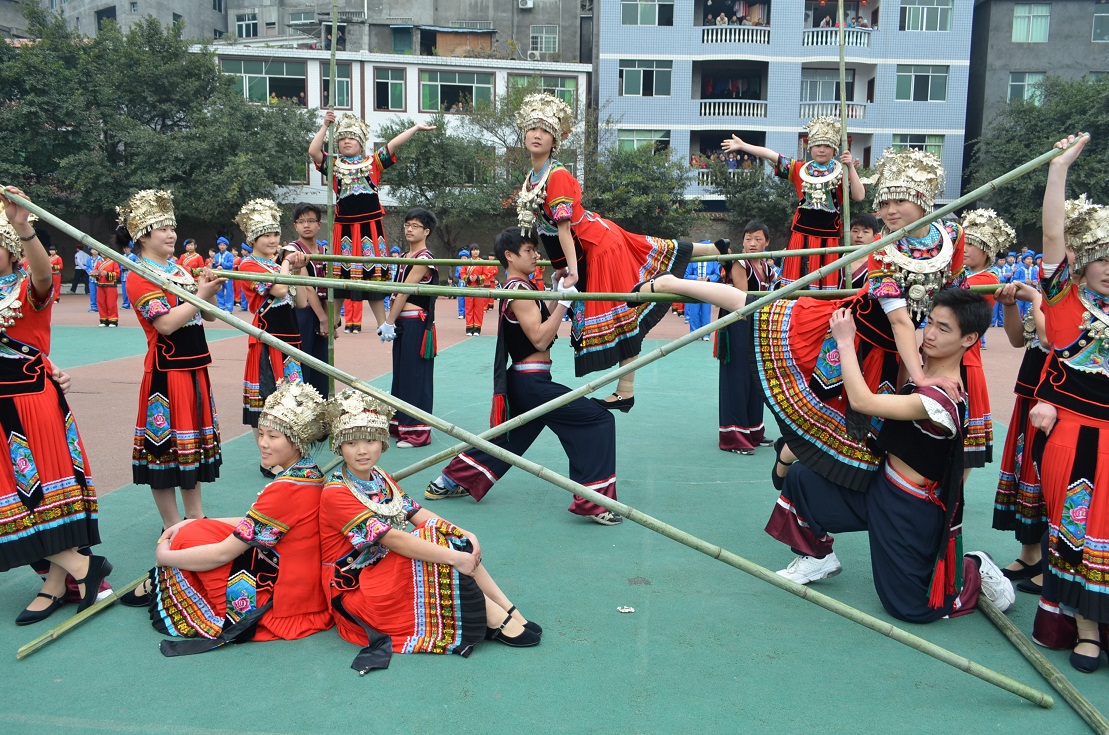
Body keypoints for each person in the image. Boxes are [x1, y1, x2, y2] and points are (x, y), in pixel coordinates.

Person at [637, 147, 967, 493]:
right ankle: (671, 281)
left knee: (858, 427)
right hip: (855, 332)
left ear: (922, 197)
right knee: (753, 304)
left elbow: (953, 297)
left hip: (892, 351)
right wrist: (922, 378)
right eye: (884, 204)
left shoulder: (951, 236)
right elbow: (900, 321)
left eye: (898, 202)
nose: (889, 211)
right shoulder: (884, 250)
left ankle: (790, 459)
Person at [765, 289, 1015, 622]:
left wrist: (843, 340)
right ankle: (816, 557)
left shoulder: (943, 397)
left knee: (910, 608)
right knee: (803, 477)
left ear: (969, 339)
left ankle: (974, 568)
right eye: (929, 323)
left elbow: (863, 402)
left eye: (944, 329)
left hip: (912, 508)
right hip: (879, 485)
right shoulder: (918, 370)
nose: (929, 333)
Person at [515, 93, 723, 411]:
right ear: (524, 134)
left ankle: (626, 390)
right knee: (649, 248)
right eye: (532, 128)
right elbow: (547, 232)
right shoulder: (533, 178)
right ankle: (710, 247)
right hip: (593, 242)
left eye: (545, 130)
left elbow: (563, 229)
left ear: (555, 140)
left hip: (597, 246)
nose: (537, 134)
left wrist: (570, 270)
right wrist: (561, 266)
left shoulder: (555, 175)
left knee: (624, 314)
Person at [320, 391, 540, 673]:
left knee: (443, 533)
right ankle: (495, 618)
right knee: (432, 544)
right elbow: (392, 538)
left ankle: (507, 608)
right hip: (356, 588)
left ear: (383, 443)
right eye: (351, 443)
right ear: (339, 447)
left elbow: (418, 513)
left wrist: (463, 533)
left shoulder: (380, 477)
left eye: (370, 440)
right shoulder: (335, 492)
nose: (362, 451)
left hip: (382, 570)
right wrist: (453, 556)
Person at [425, 227, 622, 526]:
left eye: (534, 249)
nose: (536, 255)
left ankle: (448, 480)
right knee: (598, 419)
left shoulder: (523, 287)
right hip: (531, 382)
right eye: (529, 250)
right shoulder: (518, 290)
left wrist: (557, 297)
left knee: (508, 438)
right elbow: (541, 339)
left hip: (529, 380)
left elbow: (541, 324)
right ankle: (594, 501)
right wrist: (565, 303)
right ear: (510, 256)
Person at [138, 383, 333, 653]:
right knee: (197, 530)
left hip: (284, 597)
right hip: (303, 586)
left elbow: (221, 554)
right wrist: (195, 521)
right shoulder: (309, 472)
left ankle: (161, 577)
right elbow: (257, 522)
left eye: (273, 436)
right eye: (261, 433)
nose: (262, 443)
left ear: (296, 439)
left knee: (185, 541)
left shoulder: (285, 489)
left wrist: (164, 556)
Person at [0, 188, 113, 625]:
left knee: (41, 495)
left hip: (31, 405)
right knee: (15, 497)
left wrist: (25, 226)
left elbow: (44, 278)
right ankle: (62, 576)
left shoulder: (26, 287)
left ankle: (80, 571)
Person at [1027, 135, 1109, 672]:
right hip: (1075, 437)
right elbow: (1053, 233)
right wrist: (1058, 171)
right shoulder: (1064, 303)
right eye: (1104, 257)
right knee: (1073, 527)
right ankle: (1083, 629)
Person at [121, 190, 224, 529]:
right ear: (142, 234)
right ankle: (172, 523)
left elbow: (206, 317)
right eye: (161, 228)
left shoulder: (178, 268)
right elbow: (165, 324)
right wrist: (199, 296)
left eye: (171, 227)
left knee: (190, 447)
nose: (171, 234)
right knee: (165, 450)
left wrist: (208, 291)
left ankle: (196, 516)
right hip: (166, 374)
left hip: (194, 367)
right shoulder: (138, 275)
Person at [308, 111, 434, 334]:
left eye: (352, 138)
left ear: (361, 142)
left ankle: (383, 324)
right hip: (344, 229)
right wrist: (325, 126)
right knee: (339, 276)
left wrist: (414, 128)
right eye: (342, 139)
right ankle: (333, 321)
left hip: (370, 229)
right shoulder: (334, 165)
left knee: (373, 276)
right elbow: (313, 151)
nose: (347, 141)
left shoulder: (372, 163)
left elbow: (393, 144)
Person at [722, 117, 866, 290]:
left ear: (834, 149)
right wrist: (744, 146)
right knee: (796, 280)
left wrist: (850, 167)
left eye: (827, 146)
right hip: (801, 232)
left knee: (825, 282)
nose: (821, 150)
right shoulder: (799, 169)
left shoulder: (840, 171)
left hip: (829, 235)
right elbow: (771, 155)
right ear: (810, 148)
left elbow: (859, 196)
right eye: (817, 145)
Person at [991, 277, 1049, 596]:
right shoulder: (1053, 293)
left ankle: (1052, 561)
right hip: (1030, 393)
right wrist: (1011, 304)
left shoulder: (1084, 301)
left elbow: (1051, 336)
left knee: (1047, 478)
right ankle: (1031, 556)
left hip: (1058, 398)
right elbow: (1018, 339)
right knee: (1023, 469)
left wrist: (1038, 298)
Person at [234, 199, 308, 432]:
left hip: (290, 338)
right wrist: (287, 261)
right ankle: (269, 459)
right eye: (266, 235)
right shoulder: (248, 265)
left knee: (293, 402)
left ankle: (289, 453)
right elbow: (280, 290)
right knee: (267, 401)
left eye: (275, 234)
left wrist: (300, 268)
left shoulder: (278, 266)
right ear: (253, 239)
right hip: (268, 338)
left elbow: (302, 301)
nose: (273, 240)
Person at [959, 209, 1016, 472]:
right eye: (964, 243)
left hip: (964, 359)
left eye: (972, 244)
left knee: (964, 431)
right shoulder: (965, 275)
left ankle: (956, 492)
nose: (966, 249)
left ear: (986, 250)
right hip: (951, 354)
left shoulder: (985, 280)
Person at [377, 208, 440, 448]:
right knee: (402, 374)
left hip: (416, 321)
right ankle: (400, 424)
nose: (409, 229)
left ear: (426, 231)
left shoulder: (424, 258)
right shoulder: (405, 255)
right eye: (407, 224)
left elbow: (405, 291)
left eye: (415, 225)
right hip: (403, 321)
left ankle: (417, 432)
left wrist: (388, 321)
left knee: (415, 376)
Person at [717, 223, 776, 455]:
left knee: (755, 378)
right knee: (737, 379)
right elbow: (743, 298)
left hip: (758, 322)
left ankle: (753, 430)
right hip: (738, 324)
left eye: (757, 239)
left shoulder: (767, 266)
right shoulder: (740, 262)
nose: (752, 243)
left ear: (767, 242)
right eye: (748, 238)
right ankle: (734, 436)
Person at [285, 203, 333, 397]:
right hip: (302, 312)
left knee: (322, 363)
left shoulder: (325, 250)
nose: (306, 225)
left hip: (322, 310)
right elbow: (306, 285)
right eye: (301, 221)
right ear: (295, 226)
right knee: (303, 360)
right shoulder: (292, 250)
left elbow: (329, 285)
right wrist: (324, 319)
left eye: (311, 221)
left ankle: (321, 405)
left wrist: (331, 318)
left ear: (319, 224)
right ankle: (302, 405)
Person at [683, 250, 722, 339]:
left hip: (707, 288)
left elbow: (717, 275)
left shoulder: (713, 261)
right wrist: (696, 278)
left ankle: (706, 334)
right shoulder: (692, 260)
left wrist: (709, 278)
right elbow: (686, 275)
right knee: (694, 312)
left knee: (706, 312)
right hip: (694, 288)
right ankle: (694, 333)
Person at [462, 245, 492, 336]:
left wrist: (478, 278)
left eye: (477, 250)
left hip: (479, 288)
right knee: (469, 308)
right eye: (474, 250)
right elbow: (462, 273)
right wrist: (468, 278)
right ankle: (469, 328)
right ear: (470, 251)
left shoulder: (482, 262)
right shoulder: (467, 262)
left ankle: (477, 329)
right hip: (469, 287)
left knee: (478, 309)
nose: (476, 252)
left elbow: (486, 274)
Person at [847, 213, 881, 289]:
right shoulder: (838, 257)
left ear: (874, 236)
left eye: (865, 232)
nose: (859, 235)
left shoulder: (878, 261)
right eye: (855, 231)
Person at [92, 244, 121, 327]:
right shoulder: (98, 262)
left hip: (110, 285)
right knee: (101, 302)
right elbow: (96, 271)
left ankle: (113, 320)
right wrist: (94, 274)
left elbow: (117, 274)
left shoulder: (113, 262)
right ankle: (103, 319)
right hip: (100, 285)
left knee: (111, 303)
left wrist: (107, 274)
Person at [1012, 249, 1040, 318]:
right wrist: (1024, 281)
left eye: (1031, 259)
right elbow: (1014, 280)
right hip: (1020, 291)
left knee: (1028, 308)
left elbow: (1036, 278)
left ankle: (1027, 323)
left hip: (1030, 291)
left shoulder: (1034, 269)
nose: (1030, 260)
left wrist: (1035, 282)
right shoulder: (1019, 270)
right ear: (1024, 260)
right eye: (1028, 259)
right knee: (1019, 307)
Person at [210, 237, 235, 311]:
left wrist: (222, 264)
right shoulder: (216, 255)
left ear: (226, 246)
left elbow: (230, 264)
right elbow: (214, 266)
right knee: (219, 290)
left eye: (223, 245)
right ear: (218, 246)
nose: (222, 246)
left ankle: (229, 308)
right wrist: (214, 264)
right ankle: (220, 306)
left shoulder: (230, 255)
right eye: (220, 245)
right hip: (219, 275)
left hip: (227, 275)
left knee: (228, 291)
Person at [121, 242, 137, 309]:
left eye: (127, 248)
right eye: (124, 248)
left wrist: (129, 268)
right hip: (124, 276)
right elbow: (119, 265)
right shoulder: (122, 256)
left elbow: (136, 266)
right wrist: (122, 267)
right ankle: (125, 304)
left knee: (132, 291)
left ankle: (133, 303)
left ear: (130, 248)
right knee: (124, 291)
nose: (125, 249)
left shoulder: (134, 257)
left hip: (131, 276)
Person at [455, 248, 469, 321]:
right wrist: (459, 273)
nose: (463, 259)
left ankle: (467, 313)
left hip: (467, 283)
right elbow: (456, 275)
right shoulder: (458, 266)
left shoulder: (470, 266)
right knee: (460, 299)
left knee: (467, 299)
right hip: (461, 282)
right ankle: (461, 313)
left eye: (465, 258)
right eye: (462, 258)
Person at [84, 242, 98, 312]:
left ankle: (99, 306)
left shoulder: (100, 259)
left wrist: (96, 272)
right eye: (93, 249)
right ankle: (93, 306)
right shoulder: (89, 259)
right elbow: (87, 267)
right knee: (92, 293)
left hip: (98, 278)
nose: (94, 251)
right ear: (90, 251)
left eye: (96, 249)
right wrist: (90, 272)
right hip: (91, 278)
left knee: (99, 293)